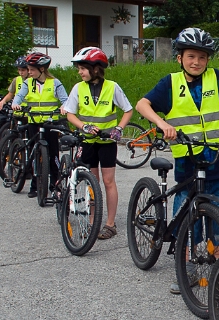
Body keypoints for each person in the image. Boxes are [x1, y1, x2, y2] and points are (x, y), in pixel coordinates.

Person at [135, 27, 219, 294]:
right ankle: (185, 266)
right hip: (187, 160)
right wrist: (163, 125)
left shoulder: (215, 78)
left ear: (208, 60)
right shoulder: (170, 83)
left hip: (216, 158)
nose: (196, 62)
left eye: (201, 57)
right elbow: (142, 104)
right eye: (190, 56)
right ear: (180, 58)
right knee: (186, 212)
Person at [63, 47, 133, 239]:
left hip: (106, 141)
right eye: (79, 69)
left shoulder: (112, 87)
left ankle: (110, 224)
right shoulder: (79, 88)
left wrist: (119, 128)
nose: (79, 72)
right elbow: (69, 113)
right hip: (88, 142)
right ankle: (93, 222)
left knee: (109, 181)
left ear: (95, 69)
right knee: (93, 182)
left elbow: (128, 110)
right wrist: (83, 126)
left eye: (83, 68)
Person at [11, 51, 69, 199]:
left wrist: (64, 107)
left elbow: (66, 100)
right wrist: (16, 104)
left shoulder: (55, 83)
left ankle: (55, 184)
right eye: (28, 70)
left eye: (31, 70)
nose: (29, 72)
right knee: (33, 152)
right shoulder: (27, 83)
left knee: (53, 153)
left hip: (50, 123)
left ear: (41, 69)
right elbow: (18, 97)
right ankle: (35, 185)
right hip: (34, 122)